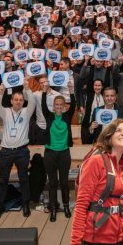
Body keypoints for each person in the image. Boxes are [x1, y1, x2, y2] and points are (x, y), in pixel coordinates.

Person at [0, 83, 36, 220]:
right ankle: (0, 205)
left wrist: (27, 88)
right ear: (11, 101)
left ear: (23, 102)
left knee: (24, 179)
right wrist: (0, 92)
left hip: (22, 151)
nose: (18, 102)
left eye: (21, 100)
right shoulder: (5, 112)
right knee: (3, 180)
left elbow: (33, 102)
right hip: (6, 151)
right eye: (16, 99)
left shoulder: (26, 112)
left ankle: (25, 204)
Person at [42, 88, 76, 222]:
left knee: (64, 182)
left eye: (62, 105)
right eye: (57, 104)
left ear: (64, 106)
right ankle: (53, 208)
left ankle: (66, 206)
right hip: (50, 153)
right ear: (53, 106)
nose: (59, 107)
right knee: (52, 182)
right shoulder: (49, 116)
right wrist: (45, 90)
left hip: (64, 153)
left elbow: (73, 105)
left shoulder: (67, 117)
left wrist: (72, 92)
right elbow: (43, 105)